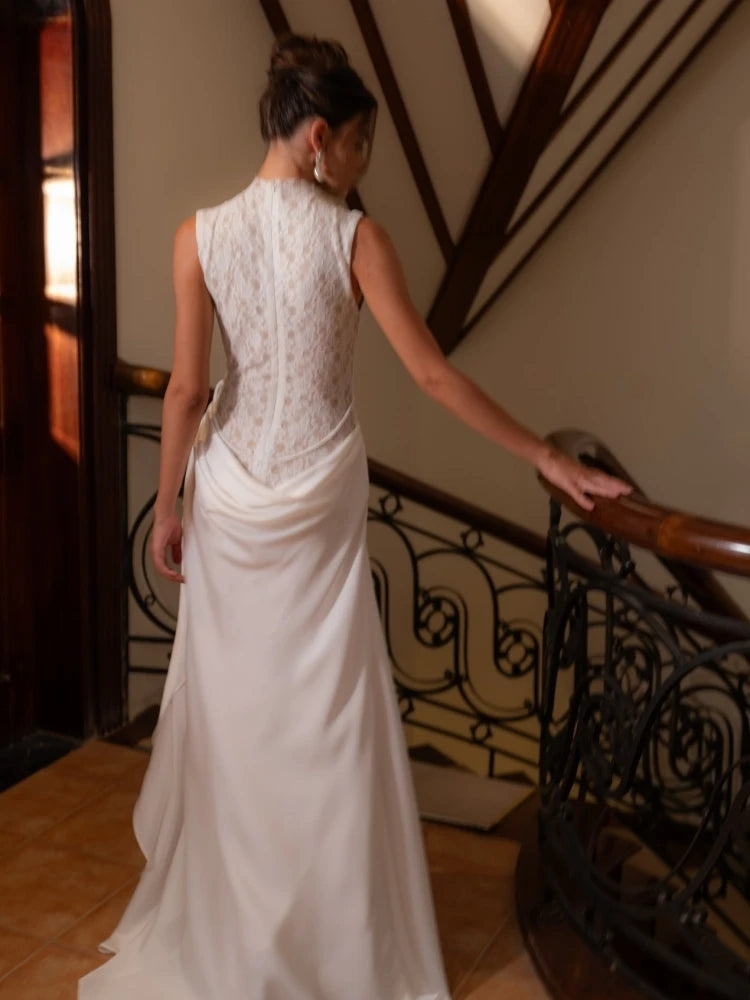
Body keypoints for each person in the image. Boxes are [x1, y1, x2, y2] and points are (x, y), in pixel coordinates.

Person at [78, 33, 631, 1000]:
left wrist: (167, 508)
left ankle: (236, 936)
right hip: (319, 487)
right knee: (325, 720)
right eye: (363, 145)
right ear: (321, 137)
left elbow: (186, 392)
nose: (363, 164)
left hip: (234, 497)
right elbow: (428, 372)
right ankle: (327, 946)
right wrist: (541, 452)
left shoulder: (196, 234)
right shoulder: (352, 236)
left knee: (239, 722)